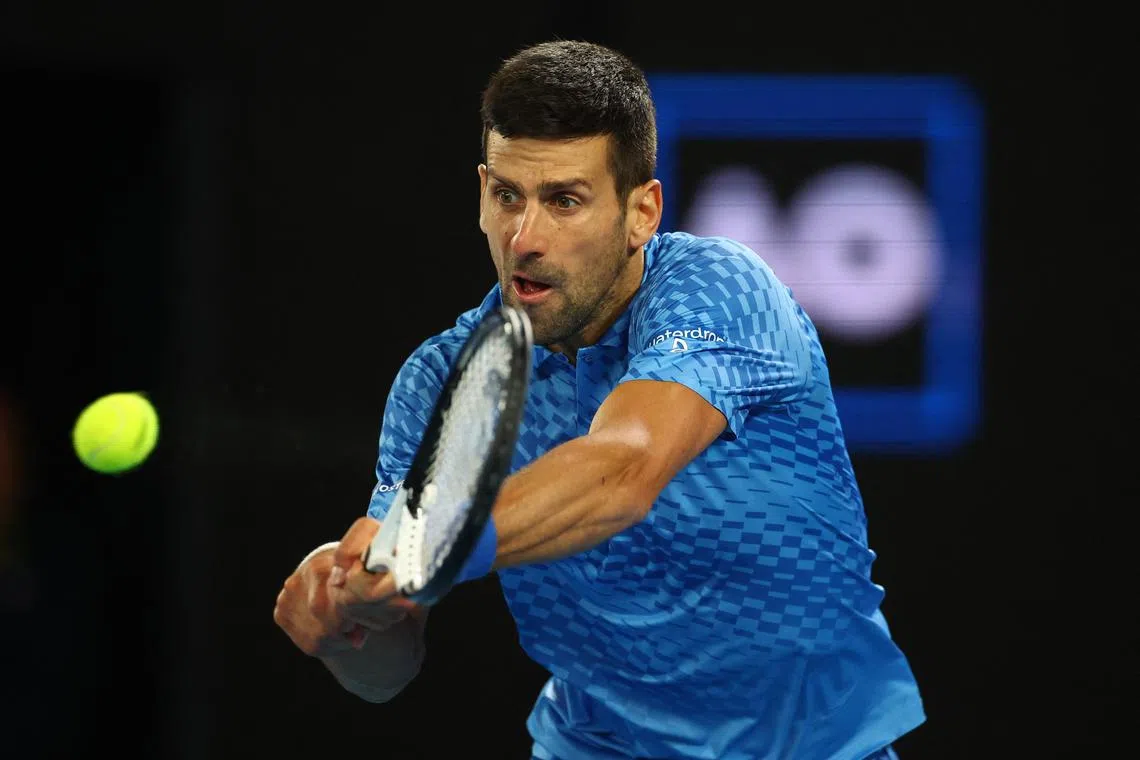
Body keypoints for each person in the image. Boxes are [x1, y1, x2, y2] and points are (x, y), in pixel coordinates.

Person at [274, 39, 926, 759]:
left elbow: (623, 469)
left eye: (565, 202)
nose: (527, 237)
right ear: (482, 194)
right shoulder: (438, 379)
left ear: (642, 212)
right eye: (508, 197)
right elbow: (385, 674)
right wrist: (347, 620)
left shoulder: (721, 287)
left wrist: (426, 544)